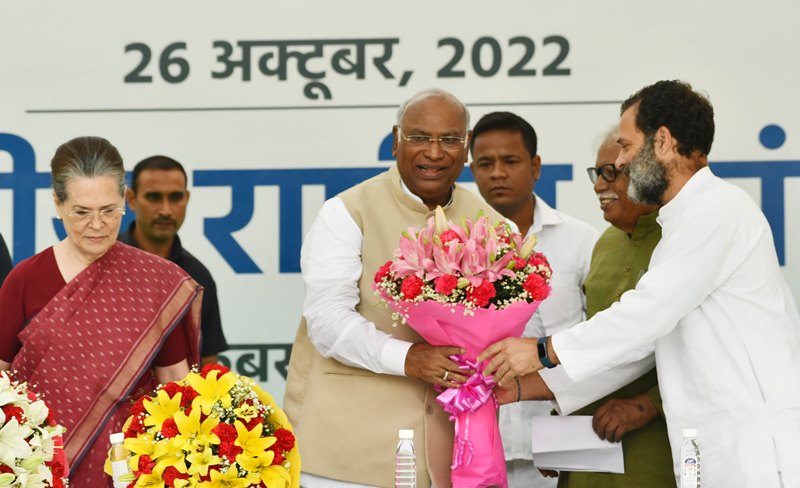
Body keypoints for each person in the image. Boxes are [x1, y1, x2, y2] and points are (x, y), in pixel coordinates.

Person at [479, 80, 800, 487]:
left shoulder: (718, 210)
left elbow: (645, 315)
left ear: (662, 141)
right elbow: (642, 348)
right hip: (712, 450)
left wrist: (543, 351)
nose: (625, 161)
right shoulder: (681, 223)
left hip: (751, 450)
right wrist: (526, 388)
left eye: (628, 146)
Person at [284, 88, 504, 488]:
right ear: (395, 140)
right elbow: (327, 320)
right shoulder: (347, 211)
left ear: (466, 146)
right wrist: (409, 358)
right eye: (419, 137)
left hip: (453, 453)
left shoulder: (489, 222)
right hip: (346, 454)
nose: (435, 152)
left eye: (450, 140)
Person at [0, 136, 201, 485]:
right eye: (82, 212)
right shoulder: (25, 281)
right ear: (58, 204)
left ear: (125, 200)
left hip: (130, 468)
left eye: (109, 210)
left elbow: (176, 387)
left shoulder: (155, 281)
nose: (97, 224)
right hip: (39, 469)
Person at [468, 111, 598, 487]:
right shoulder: (456, 248)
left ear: (535, 166)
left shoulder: (580, 240)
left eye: (510, 161)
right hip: (479, 437)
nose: (497, 173)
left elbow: (602, 341)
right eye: (485, 163)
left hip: (561, 439)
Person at [555, 130, 673, 487]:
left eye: (611, 172)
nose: (598, 186)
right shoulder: (603, 243)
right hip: (590, 441)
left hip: (657, 442)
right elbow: (594, 345)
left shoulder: (678, 239)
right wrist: (561, 426)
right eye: (597, 174)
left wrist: (648, 404)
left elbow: (706, 346)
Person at [120, 155, 228, 365]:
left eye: (175, 197)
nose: (166, 210)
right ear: (131, 199)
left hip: (177, 396)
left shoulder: (197, 277)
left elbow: (208, 365)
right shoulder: (102, 265)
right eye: (154, 197)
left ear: (186, 198)